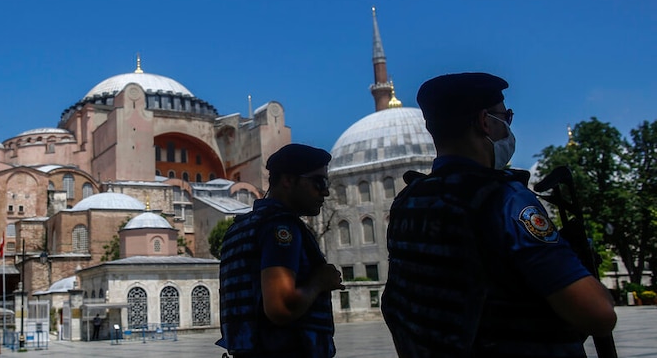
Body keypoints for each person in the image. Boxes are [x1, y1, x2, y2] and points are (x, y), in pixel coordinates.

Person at [381, 72, 617, 357]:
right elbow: (598, 315)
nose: (508, 127)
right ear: (485, 121)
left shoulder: (408, 202)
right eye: (506, 118)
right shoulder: (504, 199)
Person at [217, 143, 345, 358]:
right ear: (288, 180)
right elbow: (280, 307)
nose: (325, 191)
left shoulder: (239, 227)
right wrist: (320, 282)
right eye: (318, 182)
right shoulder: (280, 227)